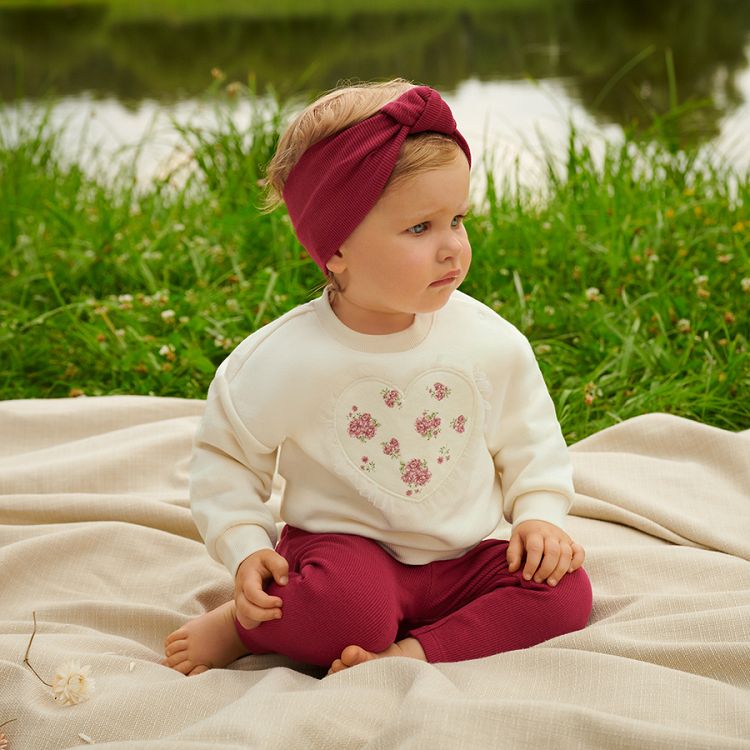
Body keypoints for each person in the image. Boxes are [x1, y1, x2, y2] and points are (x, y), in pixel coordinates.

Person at [163, 78, 592, 677]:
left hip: (463, 558)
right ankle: (247, 624)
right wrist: (247, 549)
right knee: (345, 611)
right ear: (336, 249)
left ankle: (409, 653)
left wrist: (540, 516)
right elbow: (227, 457)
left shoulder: (488, 341)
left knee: (566, 590)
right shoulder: (288, 358)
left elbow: (533, 442)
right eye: (421, 228)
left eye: (458, 220)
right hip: (344, 557)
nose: (453, 249)